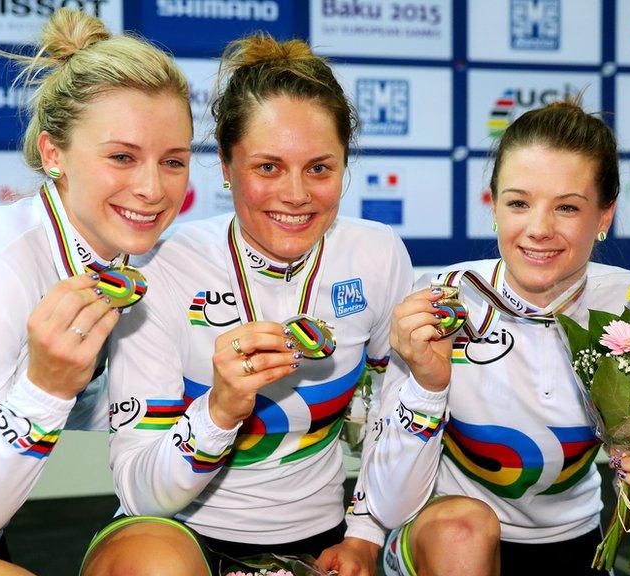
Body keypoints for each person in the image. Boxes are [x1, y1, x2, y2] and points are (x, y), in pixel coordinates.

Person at [80, 34, 413, 576]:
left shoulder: (376, 254)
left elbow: (391, 419)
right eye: (267, 168)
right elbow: (140, 492)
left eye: (320, 169)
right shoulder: (159, 268)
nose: (297, 194)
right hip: (176, 533)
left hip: (326, 540)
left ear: (345, 167)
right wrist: (217, 412)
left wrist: (366, 534)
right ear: (227, 167)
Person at [0, 8, 192, 574]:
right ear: (53, 154)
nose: (153, 188)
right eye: (122, 157)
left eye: (174, 161)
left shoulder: (118, 252)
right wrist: (45, 389)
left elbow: (97, 407)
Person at [360, 101, 630, 576]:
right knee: (462, 533)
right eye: (518, 203)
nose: (538, 229)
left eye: (567, 207)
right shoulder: (439, 300)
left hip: (576, 540)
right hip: (448, 539)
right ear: (493, 206)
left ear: (604, 216)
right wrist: (428, 387)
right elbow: (387, 505)